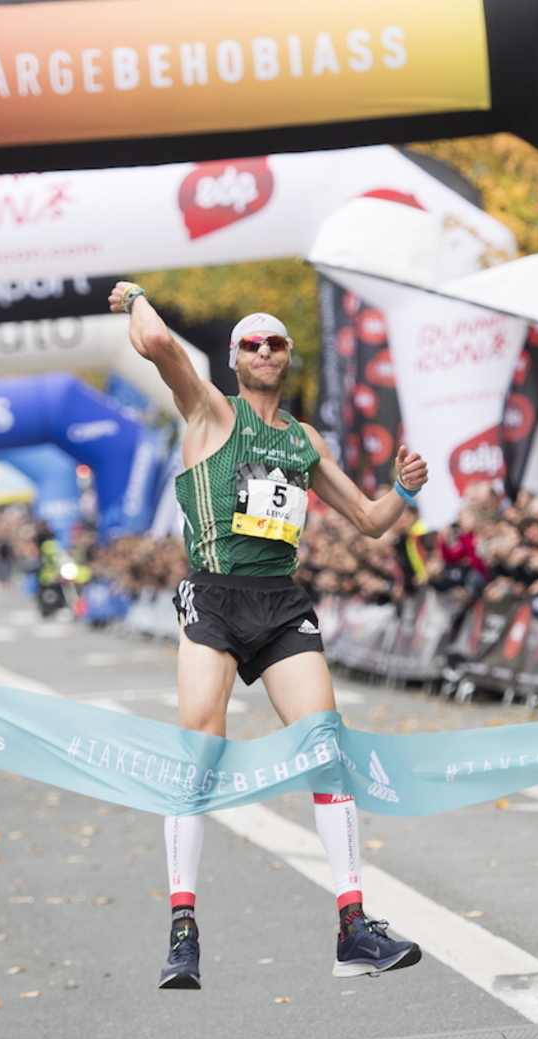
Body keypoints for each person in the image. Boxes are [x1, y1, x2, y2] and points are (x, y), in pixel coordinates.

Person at [108, 282, 427, 989]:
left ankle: (353, 928)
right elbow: (157, 344)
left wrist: (404, 492)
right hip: (216, 599)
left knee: (327, 750)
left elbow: (370, 523)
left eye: (275, 342)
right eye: (250, 342)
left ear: (288, 357)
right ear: (232, 359)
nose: (263, 349)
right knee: (201, 751)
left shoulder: (303, 441)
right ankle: (183, 929)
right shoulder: (208, 409)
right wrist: (136, 297)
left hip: (281, 602)